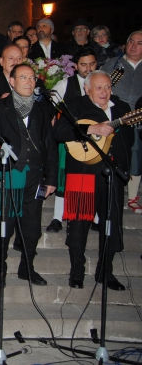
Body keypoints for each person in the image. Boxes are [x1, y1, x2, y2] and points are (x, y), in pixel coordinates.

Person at [0, 64, 57, 288]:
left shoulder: (42, 110)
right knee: (4, 225)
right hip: (8, 175)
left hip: (35, 177)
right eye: (23, 77)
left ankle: (27, 268)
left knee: (32, 227)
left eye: (32, 78)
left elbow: (50, 146)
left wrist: (52, 178)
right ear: (11, 81)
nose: (29, 82)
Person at [52, 71, 132, 291]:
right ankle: (77, 272)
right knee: (78, 224)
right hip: (83, 173)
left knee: (111, 223)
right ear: (87, 89)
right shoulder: (75, 105)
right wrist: (90, 129)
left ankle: (105, 272)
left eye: (107, 87)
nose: (104, 92)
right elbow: (59, 131)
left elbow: (128, 142)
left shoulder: (122, 108)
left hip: (111, 175)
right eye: (98, 87)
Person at [47, 47, 98, 233]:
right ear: (76, 66)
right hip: (69, 140)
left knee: (93, 178)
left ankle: (94, 217)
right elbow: (49, 106)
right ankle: (57, 218)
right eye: (84, 64)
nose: (88, 68)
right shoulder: (64, 84)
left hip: (95, 141)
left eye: (92, 63)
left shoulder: (101, 83)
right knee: (63, 178)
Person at [102, 31, 142, 213]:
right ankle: (109, 191)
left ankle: (133, 197)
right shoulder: (114, 64)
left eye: (139, 43)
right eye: (130, 41)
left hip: (140, 118)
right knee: (114, 152)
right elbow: (102, 89)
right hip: (116, 116)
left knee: (136, 155)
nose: (133, 46)